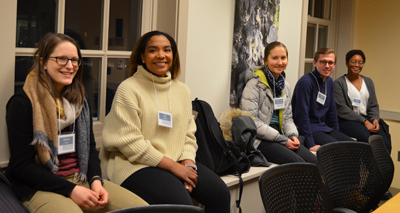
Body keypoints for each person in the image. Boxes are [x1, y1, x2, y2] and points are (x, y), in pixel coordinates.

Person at [5, 33, 147, 213]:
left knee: (145, 210)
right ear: (43, 62)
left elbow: (90, 148)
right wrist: (71, 190)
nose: (70, 66)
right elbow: (22, 166)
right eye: (61, 59)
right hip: (39, 186)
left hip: (80, 178)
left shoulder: (78, 99)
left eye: (74, 60)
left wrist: (96, 180)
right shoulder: (22, 103)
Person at [100, 31, 230, 213]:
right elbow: (129, 142)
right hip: (134, 165)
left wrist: (188, 164)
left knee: (220, 193)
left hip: (176, 161)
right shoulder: (128, 89)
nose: (161, 55)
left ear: (173, 56)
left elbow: (188, 134)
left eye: (167, 50)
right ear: (143, 57)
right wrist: (174, 167)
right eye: (153, 50)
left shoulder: (182, 90)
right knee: (181, 202)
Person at [240, 41, 317, 164]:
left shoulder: (285, 86)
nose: (280, 62)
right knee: (299, 164)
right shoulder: (254, 85)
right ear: (266, 60)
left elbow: (287, 118)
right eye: (275, 58)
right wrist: (281, 139)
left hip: (282, 136)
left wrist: (293, 135)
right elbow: (251, 121)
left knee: (314, 161)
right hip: (260, 140)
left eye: (283, 58)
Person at [291, 48, 353, 152]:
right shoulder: (306, 82)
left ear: (334, 65)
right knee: (340, 149)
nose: (327, 66)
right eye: (323, 62)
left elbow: (332, 111)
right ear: (315, 63)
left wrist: (336, 133)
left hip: (324, 128)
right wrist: (310, 143)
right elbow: (302, 115)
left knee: (356, 146)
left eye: (330, 63)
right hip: (310, 129)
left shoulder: (329, 81)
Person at [333, 49, 391, 152]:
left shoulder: (368, 81)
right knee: (367, 139)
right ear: (347, 63)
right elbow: (342, 109)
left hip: (367, 118)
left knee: (385, 142)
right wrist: (364, 122)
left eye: (360, 62)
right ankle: (366, 167)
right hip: (349, 120)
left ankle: (380, 168)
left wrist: (375, 119)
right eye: (353, 62)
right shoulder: (339, 83)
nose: (357, 65)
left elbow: (373, 105)